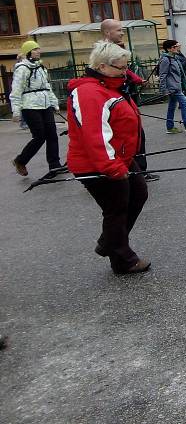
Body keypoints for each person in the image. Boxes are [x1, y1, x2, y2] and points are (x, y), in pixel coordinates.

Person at [66, 41, 150, 274]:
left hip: (119, 157)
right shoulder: (88, 92)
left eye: (126, 67)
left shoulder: (110, 86)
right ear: (102, 67)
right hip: (98, 163)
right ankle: (123, 258)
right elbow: (93, 134)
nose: (125, 72)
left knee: (138, 194)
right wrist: (111, 166)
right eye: (121, 68)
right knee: (116, 209)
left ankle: (109, 243)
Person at [100, 19, 159, 181]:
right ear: (107, 33)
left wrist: (139, 80)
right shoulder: (104, 52)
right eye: (118, 30)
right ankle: (131, 170)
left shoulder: (117, 49)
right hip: (115, 101)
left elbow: (126, 71)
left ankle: (139, 170)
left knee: (138, 135)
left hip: (125, 97)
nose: (122, 32)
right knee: (127, 137)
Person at [10, 40, 63, 178]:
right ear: (28, 52)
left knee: (52, 134)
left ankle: (55, 165)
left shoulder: (41, 68)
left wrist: (54, 103)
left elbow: (47, 87)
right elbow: (16, 90)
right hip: (29, 106)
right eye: (35, 49)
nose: (39, 51)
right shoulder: (21, 69)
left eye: (39, 48)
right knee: (39, 136)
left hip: (45, 105)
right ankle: (20, 161)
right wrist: (16, 111)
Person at [158, 40, 186, 133]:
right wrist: (163, 89)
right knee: (185, 103)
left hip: (176, 86)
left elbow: (181, 72)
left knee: (172, 106)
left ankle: (170, 127)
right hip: (173, 87)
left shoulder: (174, 58)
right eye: (175, 46)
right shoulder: (166, 59)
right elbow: (163, 75)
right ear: (169, 49)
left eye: (177, 46)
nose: (177, 48)